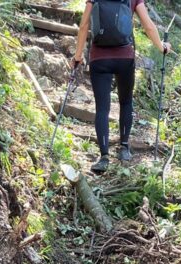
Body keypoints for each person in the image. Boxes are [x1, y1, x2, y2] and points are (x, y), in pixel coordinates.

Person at [73, 0, 170, 172]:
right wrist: (161, 46)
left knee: (102, 109)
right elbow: (148, 26)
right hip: (124, 58)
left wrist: (78, 56)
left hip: (99, 59)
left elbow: (83, 26)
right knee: (126, 102)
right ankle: (124, 148)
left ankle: (103, 157)